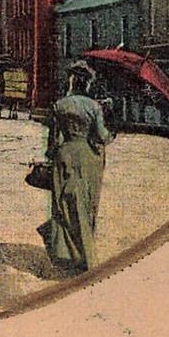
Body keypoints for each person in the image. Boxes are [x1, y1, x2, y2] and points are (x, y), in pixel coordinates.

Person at [40, 61, 113, 274]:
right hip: (88, 159)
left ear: (71, 81)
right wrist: (111, 132)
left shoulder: (59, 105)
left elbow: (52, 141)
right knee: (85, 205)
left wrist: (52, 155)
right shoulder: (94, 106)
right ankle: (85, 255)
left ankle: (66, 253)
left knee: (64, 205)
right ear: (87, 83)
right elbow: (101, 136)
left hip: (64, 156)